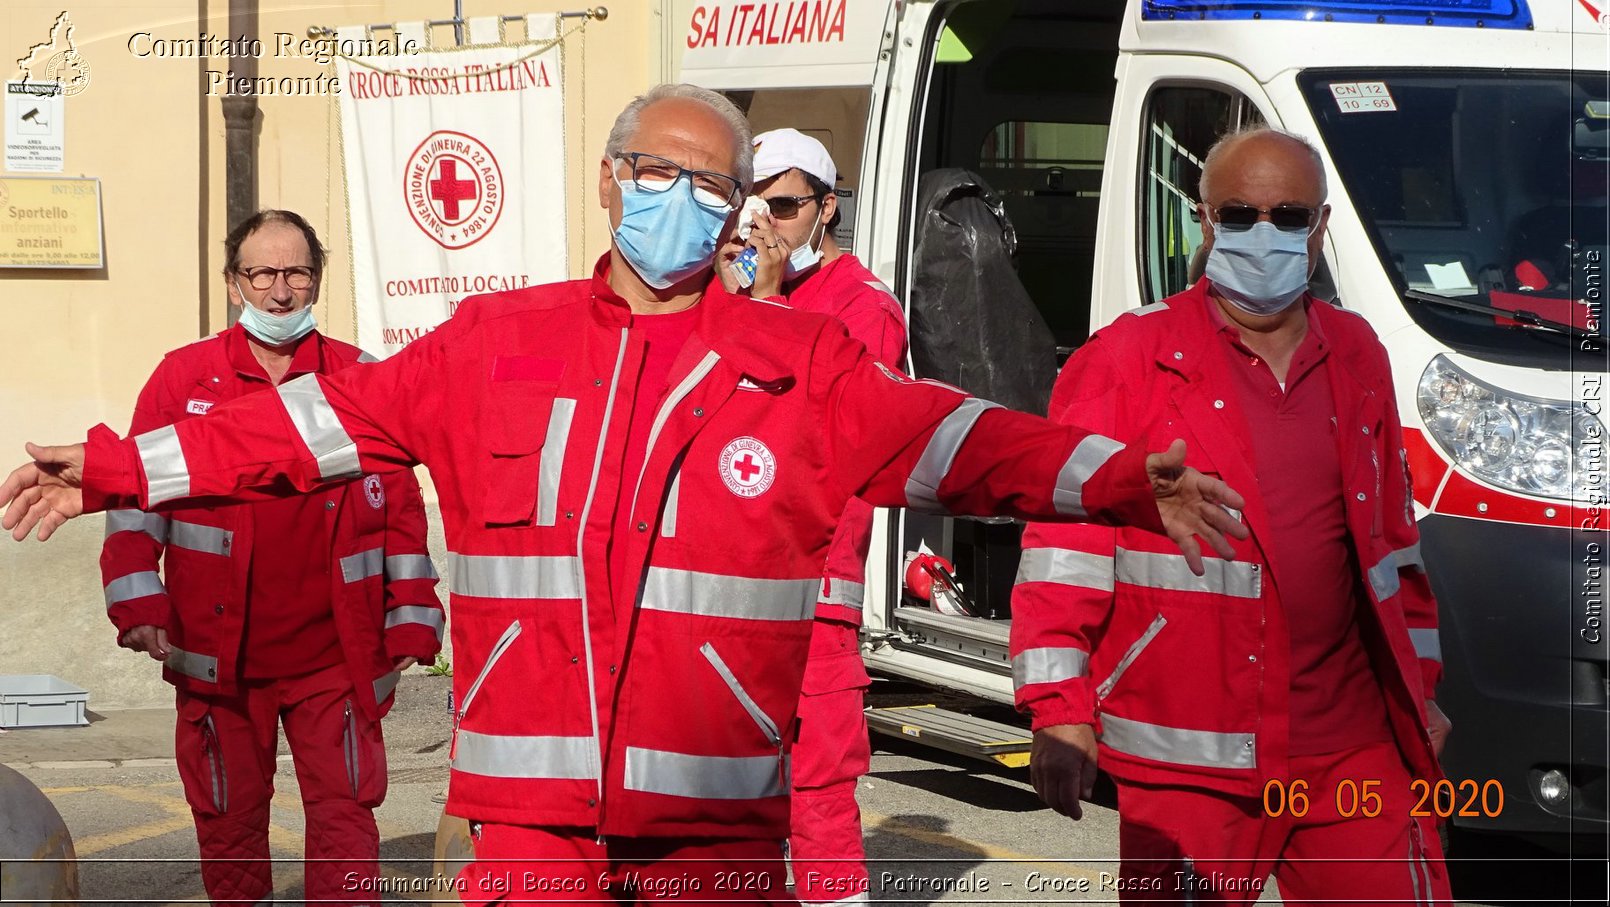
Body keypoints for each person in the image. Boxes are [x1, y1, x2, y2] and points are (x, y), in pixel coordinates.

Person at [2, 83, 1248, 907]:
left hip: (714, 827)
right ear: (611, 178)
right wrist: (116, 468)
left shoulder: (799, 362)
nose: (692, 206)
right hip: (530, 830)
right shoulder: (493, 345)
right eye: (668, 174)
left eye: (719, 189)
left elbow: (955, 439)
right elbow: (295, 433)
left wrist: (1117, 478)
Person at [1009, 127, 1453, 904]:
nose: (1264, 232)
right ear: (1206, 223)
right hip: (1191, 753)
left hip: (1349, 746)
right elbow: (1063, 545)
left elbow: (1392, 549)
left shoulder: (1356, 354)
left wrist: (1421, 690)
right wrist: (1058, 707)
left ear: (1318, 230)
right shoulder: (1126, 358)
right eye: (1240, 214)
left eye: (1288, 216)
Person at [96, 210, 444, 905]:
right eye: (262, 273)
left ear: (317, 279)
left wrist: (412, 612)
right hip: (218, 658)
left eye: (297, 273)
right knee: (228, 824)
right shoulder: (182, 379)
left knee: (346, 824)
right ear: (233, 283)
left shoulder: (359, 377)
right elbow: (135, 493)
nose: (281, 291)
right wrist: (136, 598)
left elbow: (401, 507)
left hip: (335, 659)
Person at [721, 128, 906, 906]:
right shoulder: (722, 294)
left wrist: (760, 305)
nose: (766, 225)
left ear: (828, 209)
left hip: (812, 596)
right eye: (750, 204)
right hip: (718, 592)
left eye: (787, 205)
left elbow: (816, 432)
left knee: (818, 797)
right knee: (723, 808)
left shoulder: (865, 308)